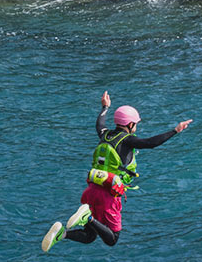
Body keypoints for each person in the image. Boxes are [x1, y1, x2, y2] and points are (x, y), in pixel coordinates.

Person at [42, 91, 192, 251]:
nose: (136, 126)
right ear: (130, 125)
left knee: (90, 236)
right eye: (135, 123)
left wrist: (105, 107)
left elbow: (99, 124)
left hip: (91, 190)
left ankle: (62, 233)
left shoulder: (104, 135)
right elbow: (150, 143)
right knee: (112, 238)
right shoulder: (127, 140)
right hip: (108, 195)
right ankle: (88, 217)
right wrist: (175, 130)